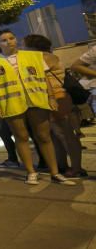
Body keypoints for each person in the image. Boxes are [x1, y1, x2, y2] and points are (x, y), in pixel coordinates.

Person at [0, 30, 74, 186]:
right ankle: (31, 172)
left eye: (12, 38)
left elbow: (45, 78)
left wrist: (51, 97)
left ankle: (55, 173)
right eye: (4, 40)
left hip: (36, 100)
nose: (9, 42)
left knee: (44, 137)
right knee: (21, 137)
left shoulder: (34, 57)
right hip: (12, 103)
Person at [23, 34, 84, 178]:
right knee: (55, 135)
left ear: (32, 47)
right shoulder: (46, 56)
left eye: (24, 45)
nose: (22, 48)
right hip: (48, 99)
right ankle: (62, 166)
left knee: (65, 133)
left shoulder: (44, 57)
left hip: (57, 98)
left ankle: (77, 168)